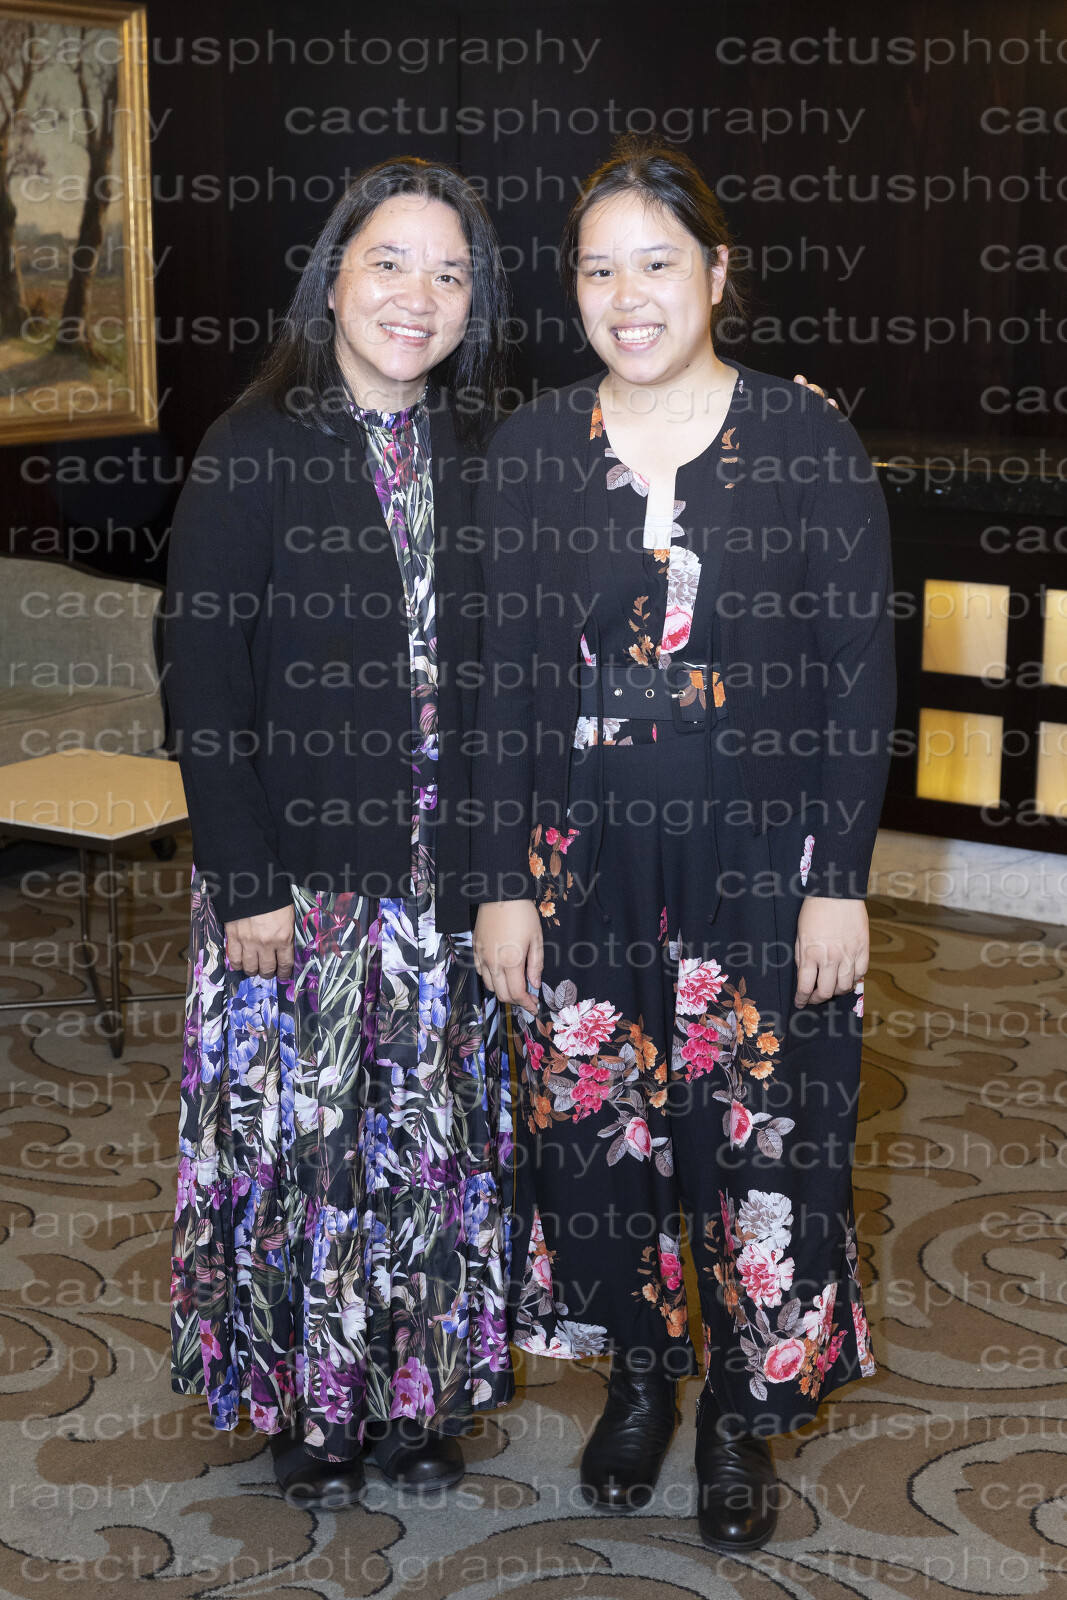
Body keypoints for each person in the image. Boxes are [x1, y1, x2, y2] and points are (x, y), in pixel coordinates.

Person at [472, 138, 894, 1553]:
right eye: (599, 270)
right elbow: (499, 681)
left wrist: (840, 881)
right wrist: (499, 882)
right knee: (599, 1134)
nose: (628, 296)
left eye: (657, 263)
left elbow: (858, 677)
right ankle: (642, 1376)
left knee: (764, 1141)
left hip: (758, 854)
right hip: (578, 855)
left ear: (716, 272)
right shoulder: (534, 450)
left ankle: (738, 1413)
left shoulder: (804, 438)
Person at [165, 157, 515, 1509]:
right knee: (307, 1156)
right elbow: (203, 680)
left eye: (449, 272)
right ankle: (311, 1412)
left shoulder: (488, 452)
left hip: (446, 885)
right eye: (389, 261)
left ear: (474, 303)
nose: (417, 295)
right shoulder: (253, 444)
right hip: (299, 885)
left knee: (429, 1149)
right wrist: (244, 879)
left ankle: (417, 1397)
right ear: (332, 278)